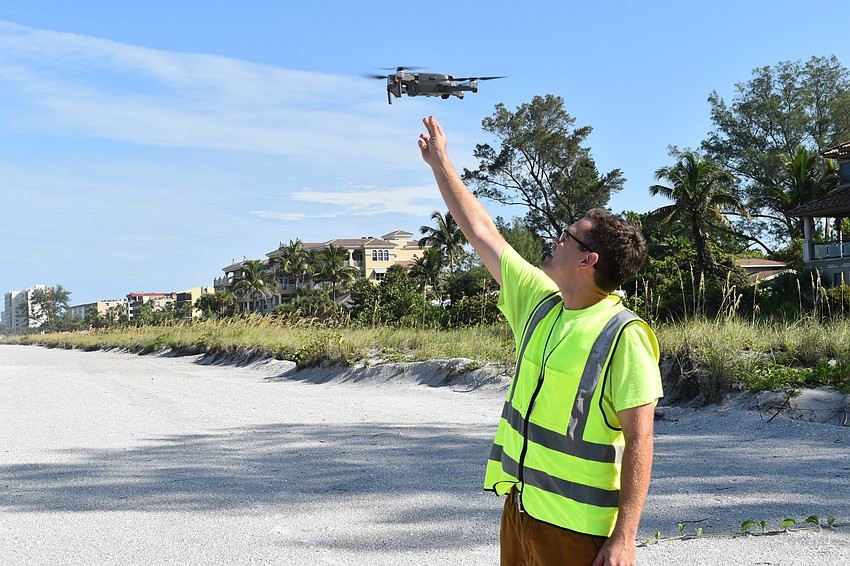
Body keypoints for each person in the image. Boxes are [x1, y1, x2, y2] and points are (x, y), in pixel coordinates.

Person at [418, 115, 663, 566]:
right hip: (521, 507)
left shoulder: (623, 335)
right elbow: (482, 232)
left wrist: (625, 537)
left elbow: (641, 438)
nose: (554, 239)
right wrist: (441, 164)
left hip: (579, 528)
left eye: (566, 236)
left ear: (588, 260)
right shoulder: (541, 301)